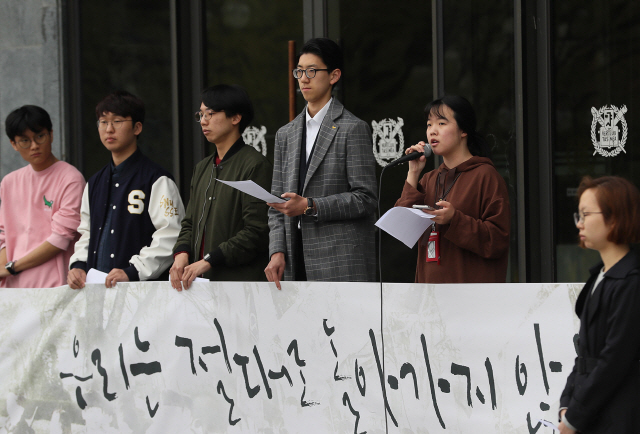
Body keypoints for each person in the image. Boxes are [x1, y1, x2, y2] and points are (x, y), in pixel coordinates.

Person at [265, 38, 377, 289]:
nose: (304, 78)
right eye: (300, 71)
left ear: (334, 75)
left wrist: (310, 205)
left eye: (312, 71)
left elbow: (366, 199)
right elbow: (275, 204)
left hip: (340, 263)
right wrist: (277, 251)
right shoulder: (286, 133)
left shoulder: (353, 128)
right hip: (294, 262)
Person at [67, 90, 184, 289]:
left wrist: (133, 271)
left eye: (117, 121)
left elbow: (171, 233)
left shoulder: (156, 179)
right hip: (97, 292)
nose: (109, 129)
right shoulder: (94, 183)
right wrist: (78, 265)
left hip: (142, 292)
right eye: (103, 122)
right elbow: (86, 232)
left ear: (137, 127)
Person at [395, 95, 510, 283]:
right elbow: (402, 228)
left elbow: (497, 241)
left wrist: (455, 220)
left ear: (463, 130)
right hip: (430, 297)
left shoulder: (486, 176)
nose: (432, 131)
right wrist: (413, 173)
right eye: (429, 124)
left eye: (441, 123)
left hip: (470, 298)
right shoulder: (429, 178)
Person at [558, 176, 640, 434]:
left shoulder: (631, 281)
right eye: (578, 215)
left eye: (586, 214)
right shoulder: (600, 275)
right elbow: (585, 354)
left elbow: (614, 361)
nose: (579, 224)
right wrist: (566, 403)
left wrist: (575, 415)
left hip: (618, 417)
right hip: (593, 414)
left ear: (614, 217)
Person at [170, 85, 272, 290]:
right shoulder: (202, 168)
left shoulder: (255, 165)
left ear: (235, 118)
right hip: (199, 286)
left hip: (239, 287)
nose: (204, 121)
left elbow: (256, 231)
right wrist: (181, 253)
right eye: (201, 114)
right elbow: (189, 223)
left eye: (211, 113)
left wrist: (209, 260)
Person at [0, 105, 85, 288]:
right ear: (13, 144)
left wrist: (12, 267)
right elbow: (4, 235)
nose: (34, 146)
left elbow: (61, 238)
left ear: (51, 135)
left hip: (55, 287)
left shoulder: (71, 178)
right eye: (24, 140)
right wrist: (3, 270)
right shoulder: (9, 182)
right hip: (14, 289)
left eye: (40, 136)